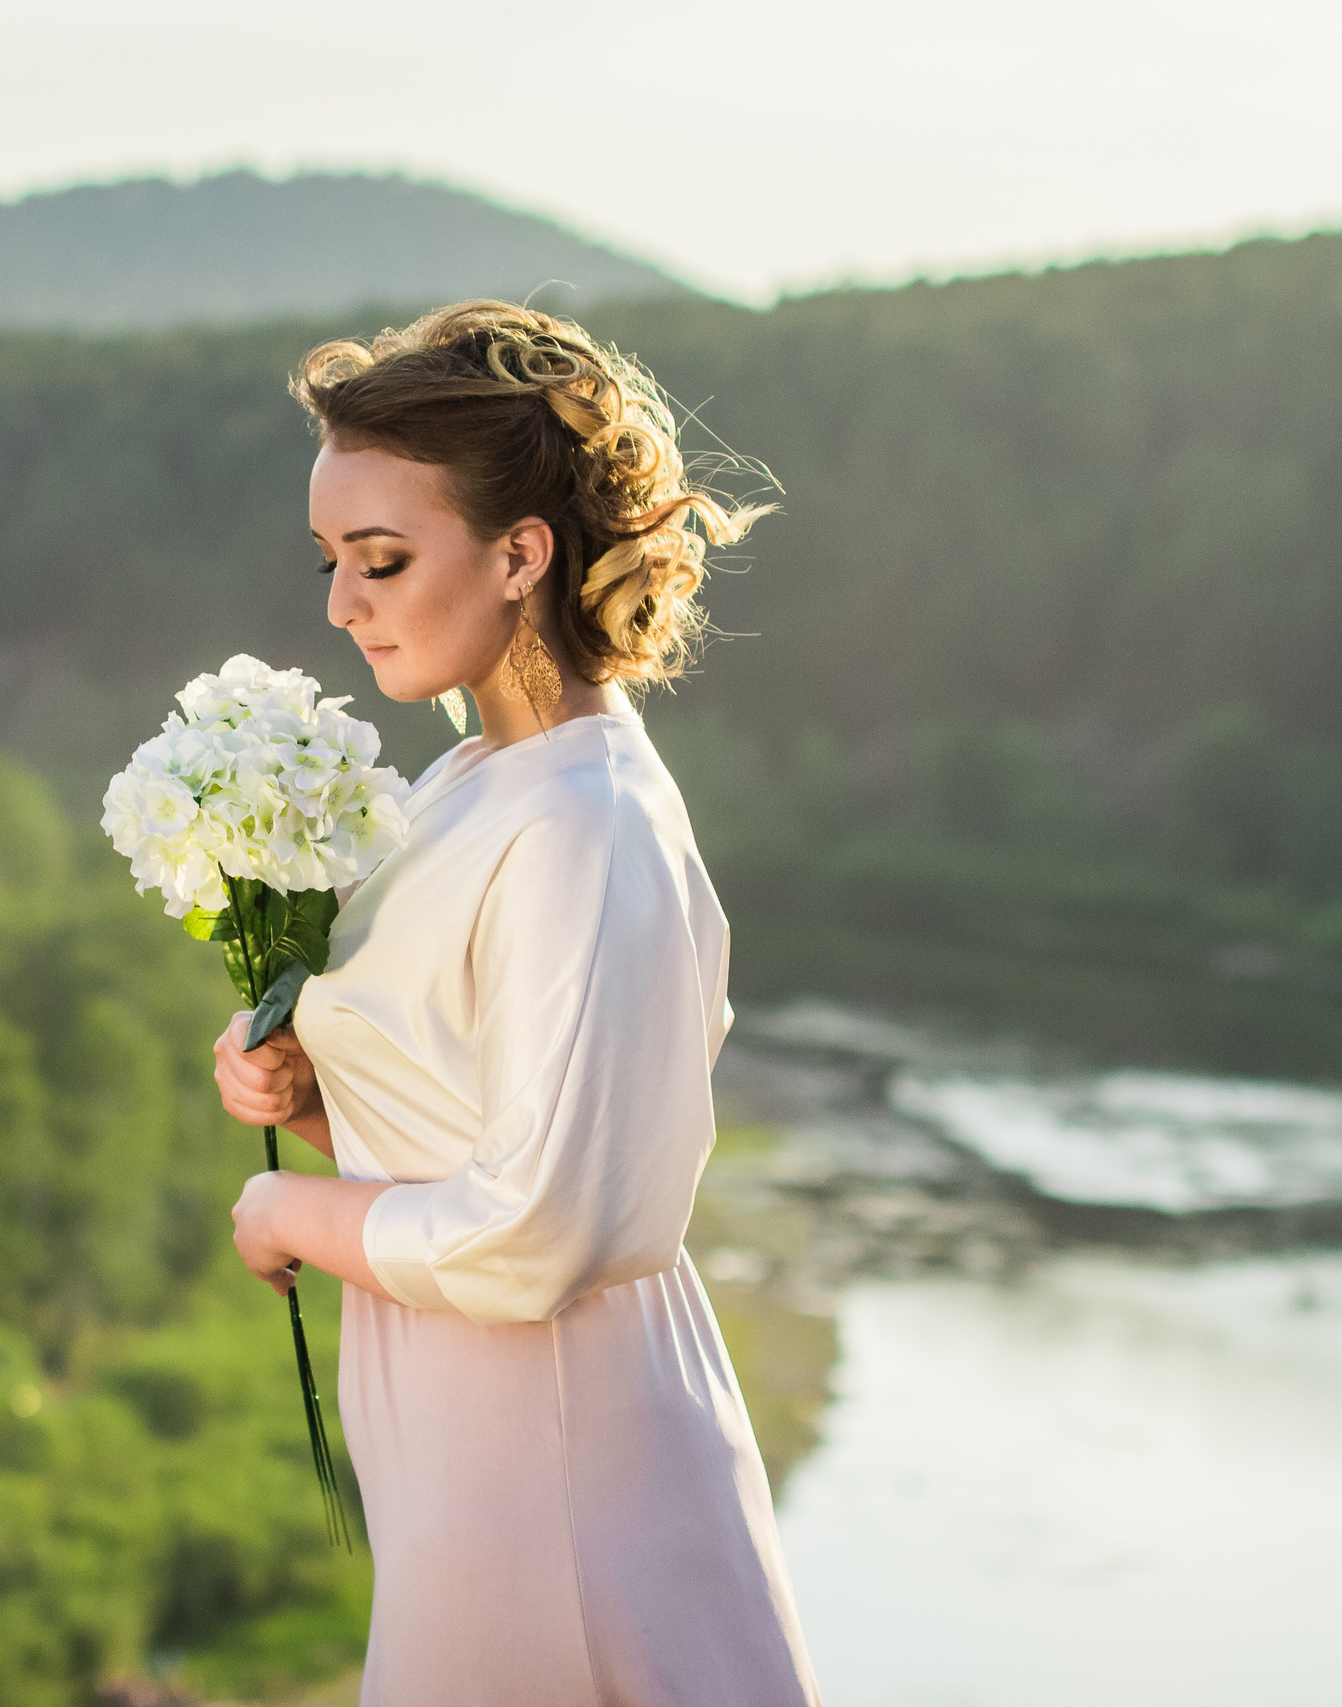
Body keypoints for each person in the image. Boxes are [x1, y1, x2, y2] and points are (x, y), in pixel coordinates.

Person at [214, 302, 819, 1705]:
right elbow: (484, 1128)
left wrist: (285, 1210)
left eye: (381, 560)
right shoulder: (473, 782)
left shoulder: (584, 820)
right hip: (473, 1449)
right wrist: (314, 1097)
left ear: (520, 553)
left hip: (551, 1464)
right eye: (330, 561)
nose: (339, 603)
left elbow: (540, 1231)